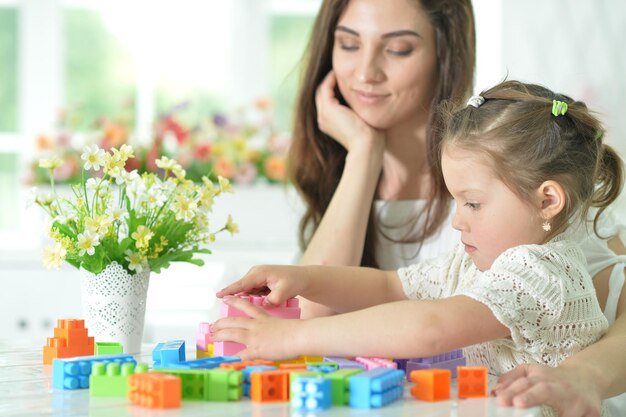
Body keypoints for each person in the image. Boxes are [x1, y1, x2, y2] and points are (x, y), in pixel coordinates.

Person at [285, 1, 626, 416]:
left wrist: (585, 375)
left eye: (398, 49)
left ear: (443, 55)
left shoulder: (525, 179)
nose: (365, 73)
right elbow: (311, 312)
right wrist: (362, 156)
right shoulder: (343, 181)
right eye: (348, 44)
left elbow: (430, 327)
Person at [213, 80, 624, 417]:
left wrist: (293, 338)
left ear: (547, 200)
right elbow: (391, 286)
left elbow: (431, 328)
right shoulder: (479, 262)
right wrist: (304, 278)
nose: (457, 220)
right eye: (456, 202)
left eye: (473, 203)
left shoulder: (542, 272)